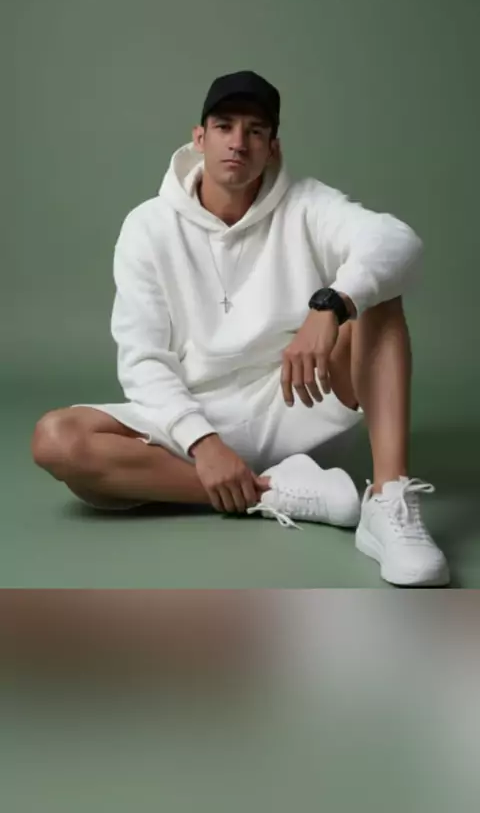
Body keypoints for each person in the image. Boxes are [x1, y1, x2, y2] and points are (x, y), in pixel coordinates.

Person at [31, 70, 449, 587]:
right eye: (224, 126)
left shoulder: (307, 204)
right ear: (199, 138)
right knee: (58, 440)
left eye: (255, 131)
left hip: (295, 402)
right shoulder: (148, 226)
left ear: (273, 148)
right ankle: (272, 493)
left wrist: (331, 305)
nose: (238, 142)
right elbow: (142, 360)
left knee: (379, 291)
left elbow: (397, 241)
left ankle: (388, 501)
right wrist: (204, 443)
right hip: (191, 417)